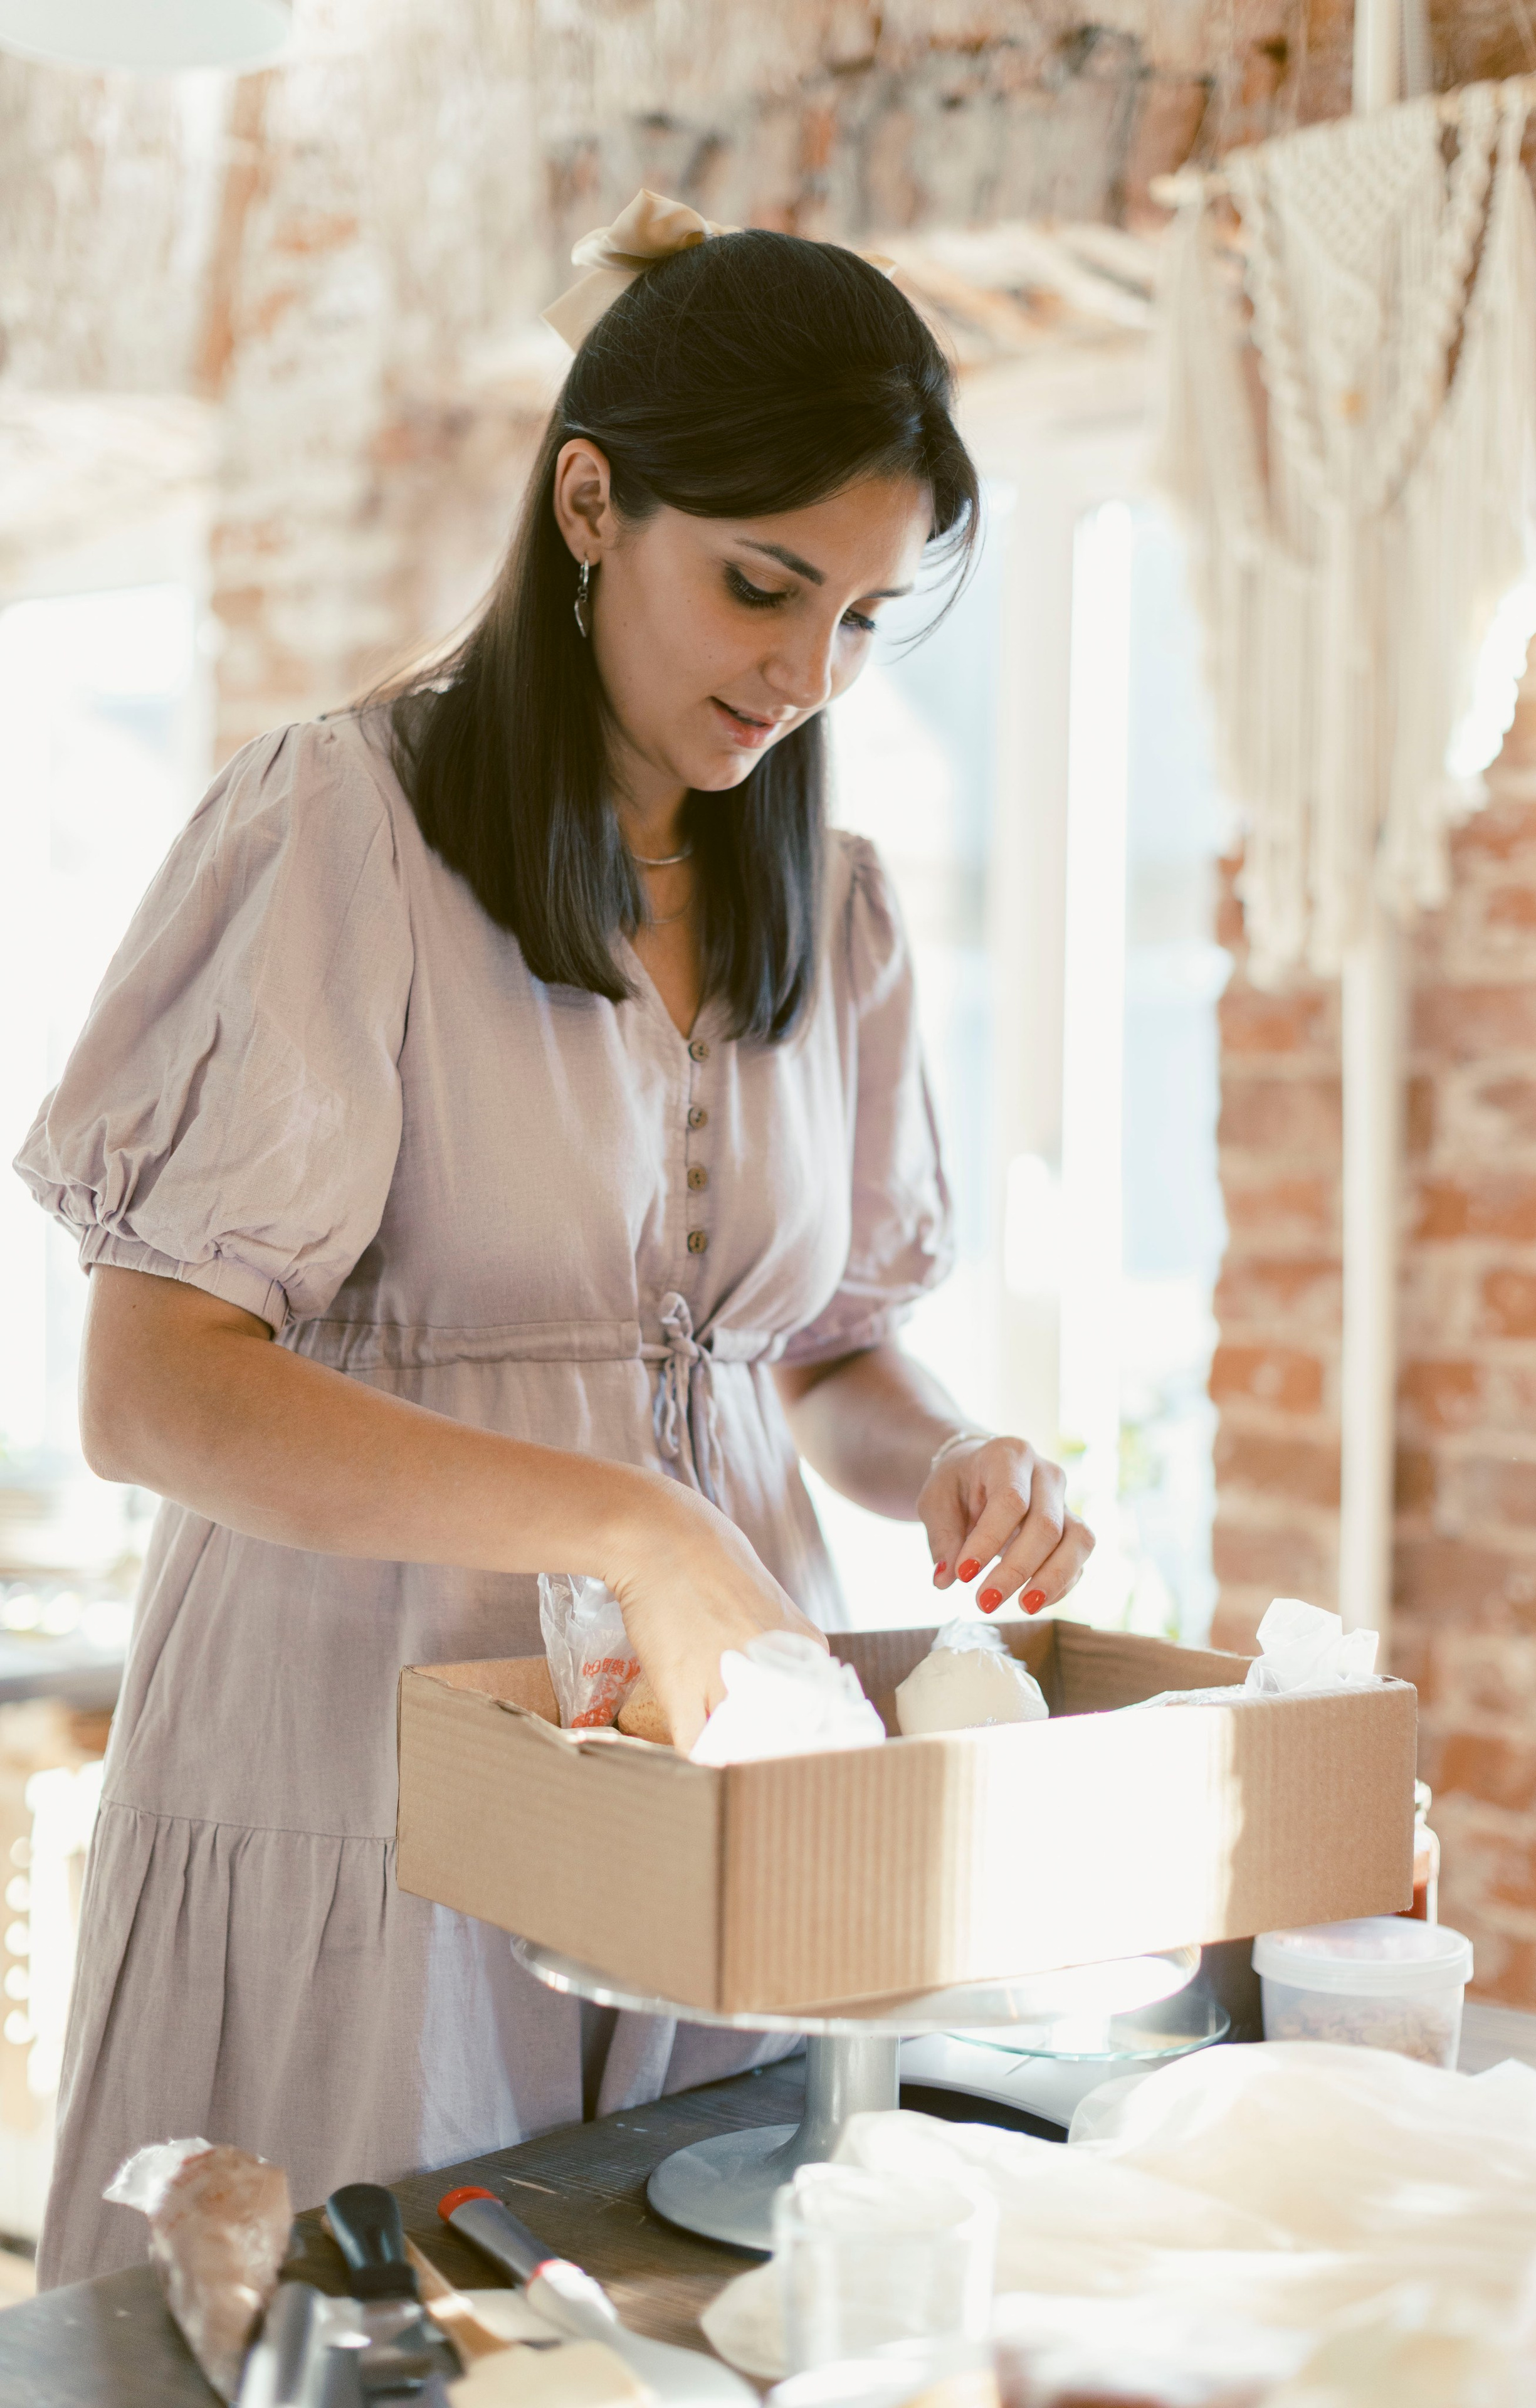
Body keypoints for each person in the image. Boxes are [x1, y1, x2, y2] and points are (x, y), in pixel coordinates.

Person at [16, 194, 1094, 2286]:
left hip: (703, 1780)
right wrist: (626, 1525)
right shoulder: (342, 829)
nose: (805, 674)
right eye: (762, 586)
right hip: (361, 1771)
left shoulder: (835, 905)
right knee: (351, 2321)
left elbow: (827, 1352)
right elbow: (151, 1393)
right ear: (590, 503)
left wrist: (955, 1455)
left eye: (863, 618)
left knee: (668, 2311)